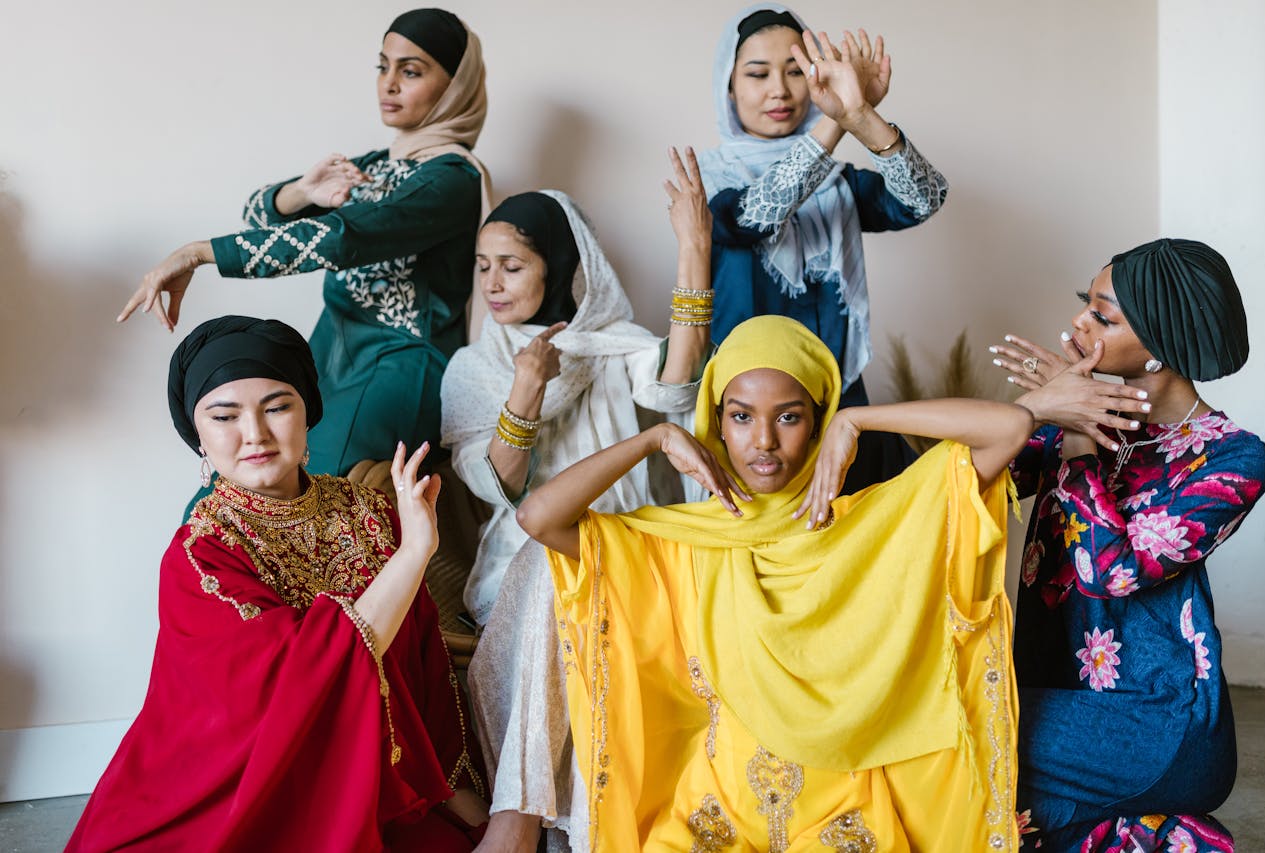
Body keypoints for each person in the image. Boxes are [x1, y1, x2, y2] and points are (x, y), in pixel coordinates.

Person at [514, 314, 1044, 850]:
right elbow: (539, 517)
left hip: (845, 814)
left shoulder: (872, 525)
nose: (763, 441)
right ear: (717, 422)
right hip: (714, 814)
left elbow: (1011, 428)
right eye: (741, 417)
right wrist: (656, 437)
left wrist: (856, 419)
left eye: (789, 417)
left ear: (816, 424)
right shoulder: (683, 544)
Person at [66, 316, 489, 852]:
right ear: (198, 434)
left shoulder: (370, 512)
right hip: (243, 789)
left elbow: (419, 667)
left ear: (308, 411)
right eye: (225, 416)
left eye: (277, 407)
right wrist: (413, 554)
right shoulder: (201, 557)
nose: (256, 434)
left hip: (384, 776)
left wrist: (452, 792)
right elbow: (310, 675)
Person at [439, 152, 713, 850]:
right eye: (483, 266)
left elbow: (675, 391)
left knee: (582, 565)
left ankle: (530, 823)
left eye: (513, 265)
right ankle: (526, 821)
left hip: (633, 558)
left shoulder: (618, 347)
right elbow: (495, 484)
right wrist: (526, 390)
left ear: (559, 267)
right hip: (524, 566)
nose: (493, 284)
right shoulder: (477, 366)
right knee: (551, 559)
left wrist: (694, 250)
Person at [117, 8, 490, 476]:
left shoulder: (452, 179)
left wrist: (199, 253)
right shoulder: (374, 164)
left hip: (400, 365)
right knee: (236, 483)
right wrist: (301, 194)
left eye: (410, 71)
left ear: (456, 86)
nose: (388, 84)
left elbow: (340, 239)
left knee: (304, 481)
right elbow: (256, 216)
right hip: (327, 353)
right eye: (383, 66)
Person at [990, 238, 1265, 852]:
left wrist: (1076, 437)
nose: (1077, 323)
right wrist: (1036, 408)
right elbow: (977, 480)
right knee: (993, 802)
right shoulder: (1084, 417)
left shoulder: (1233, 457)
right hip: (1054, 700)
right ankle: (1158, 831)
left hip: (1158, 724)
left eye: (1103, 315)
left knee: (959, 738)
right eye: (1084, 304)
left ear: (1160, 349)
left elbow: (1110, 571)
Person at [698, 4, 948, 489]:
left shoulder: (836, 183)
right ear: (728, 86)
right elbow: (757, 214)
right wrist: (837, 119)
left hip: (839, 402)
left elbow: (924, 198)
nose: (780, 90)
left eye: (797, 72)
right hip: (751, 418)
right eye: (758, 73)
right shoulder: (709, 180)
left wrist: (863, 116)